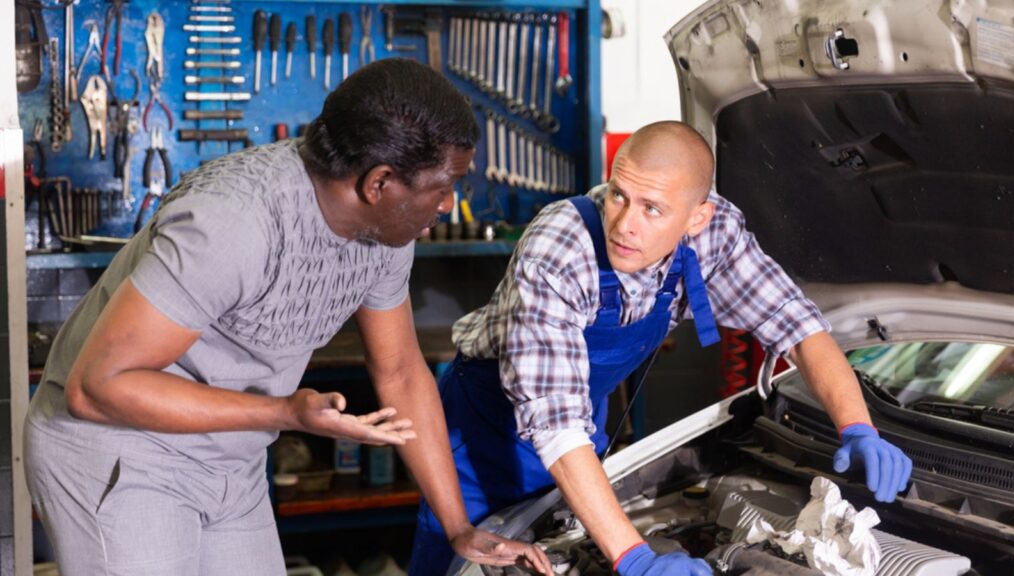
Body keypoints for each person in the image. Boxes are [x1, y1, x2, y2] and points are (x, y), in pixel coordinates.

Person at [24, 59, 551, 576]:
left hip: (232, 460)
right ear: (379, 182)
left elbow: (401, 371)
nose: (446, 205)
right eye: (443, 188)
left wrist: (457, 524)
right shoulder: (232, 223)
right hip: (123, 451)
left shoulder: (386, 233)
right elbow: (97, 388)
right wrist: (284, 412)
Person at [409, 121, 913, 576]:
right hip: (480, 435)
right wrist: (635, 558)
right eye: (619, 195)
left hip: (581, 423)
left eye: (652, 209)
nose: (625, 224)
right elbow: (553, 421)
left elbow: (798, 326)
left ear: (697, 218)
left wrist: (857, 427)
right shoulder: (560, 246)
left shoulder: (715, 235)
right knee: (454, 562)